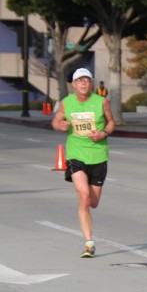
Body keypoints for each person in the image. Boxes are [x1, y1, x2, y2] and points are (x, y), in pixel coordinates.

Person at [51, 67, 116, 258]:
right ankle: (89, 243)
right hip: (76, 155)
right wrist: (60, 125)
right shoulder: (66, 103)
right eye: (80, 80)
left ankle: (88, 235)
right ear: (74, 84)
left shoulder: (101, 102)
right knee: (84, 197)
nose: (83, 83)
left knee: (93, 203)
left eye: (87, 80)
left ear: (91, 83)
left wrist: (103, 133)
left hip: (98, 156)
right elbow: (55, 122)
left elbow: (111, 122)